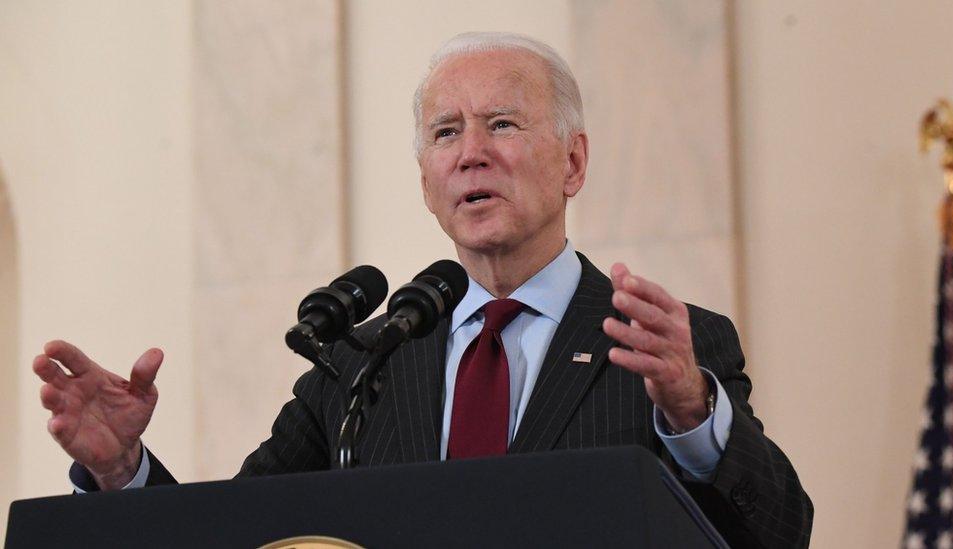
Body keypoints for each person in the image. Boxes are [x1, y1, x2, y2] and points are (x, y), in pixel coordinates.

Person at [33, 32, 812, 547]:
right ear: (426, 180)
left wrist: (692, 416)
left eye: (502, 124)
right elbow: (243, 530)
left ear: (573, 162)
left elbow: (781, 534)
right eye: (446, 133)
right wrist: (121, 468)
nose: (471, 153)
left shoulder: (660, 351)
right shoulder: (364, 360)